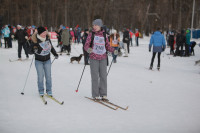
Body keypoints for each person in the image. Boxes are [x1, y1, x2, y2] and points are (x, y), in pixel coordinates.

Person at [84, 19, 117, 101]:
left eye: (96, 25)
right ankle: (95, 94)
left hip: (103, 58)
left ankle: (103, 94)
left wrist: (113, 50)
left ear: (100, 26)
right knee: (95, 76)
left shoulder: (104, 35)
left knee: (103, 76)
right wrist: (88, 49)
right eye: (93, 25)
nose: (94, 27)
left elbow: (107, 46)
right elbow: (86, 45)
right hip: (94, 58)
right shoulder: (91, 35)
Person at [29, 26, 59, 96]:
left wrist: (55, 54)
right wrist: (34, 50)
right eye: (43, 32)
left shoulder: (47, 38)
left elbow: (51, 47)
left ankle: (49, 90)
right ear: (39, 33)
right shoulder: (35, 40)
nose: (45, 33)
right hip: (38, 61)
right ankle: (41, 90)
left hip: (47, 60)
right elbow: (29, 51)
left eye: (45, 32)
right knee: (40, 76)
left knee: (48, 76)